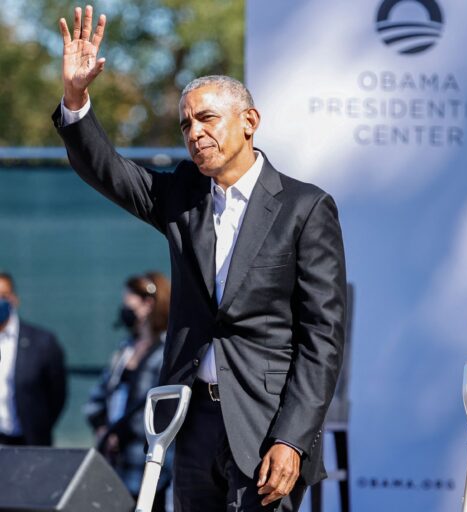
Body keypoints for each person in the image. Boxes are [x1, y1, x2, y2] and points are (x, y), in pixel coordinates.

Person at [53, 6, 347, 511]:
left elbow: (322, 337)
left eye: (207, 118)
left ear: (249, 121)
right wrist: (77, 99)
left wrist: (292, 438)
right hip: (190, 424)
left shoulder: (305, 208)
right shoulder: (184, 196)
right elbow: (110, 171)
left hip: (265, 429)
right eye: (186, 123)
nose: (194, 133)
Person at [84, 272, 172, 510]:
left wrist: (122, 433)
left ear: (148, 304)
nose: (124, 309)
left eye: (128, 303)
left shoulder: (167, 352)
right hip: (116, 464)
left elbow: (163, 410)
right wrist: (103, 427)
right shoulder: (125, 349)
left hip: (148, 464)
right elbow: (100, 395)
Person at [0, 272, 67, 446]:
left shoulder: (42, 342)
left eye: (3, 296)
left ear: (14, 299)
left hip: (29, 442)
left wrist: (39, 425)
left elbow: (57, 394)